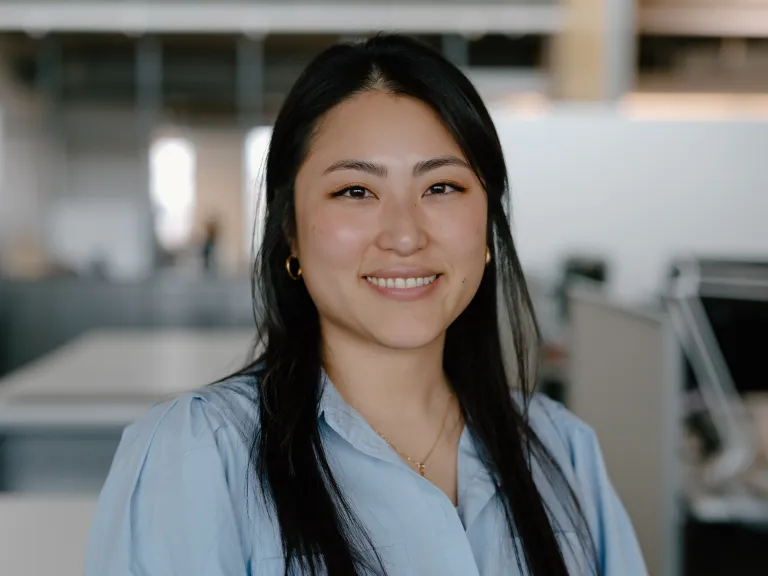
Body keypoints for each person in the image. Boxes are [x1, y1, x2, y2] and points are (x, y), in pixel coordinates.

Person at [84, 34, 646, 575]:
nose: (405, 235)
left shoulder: (560, 451)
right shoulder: (201, 455)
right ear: (293, 235)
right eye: (355, 191)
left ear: (487, 228)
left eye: (442, 187)